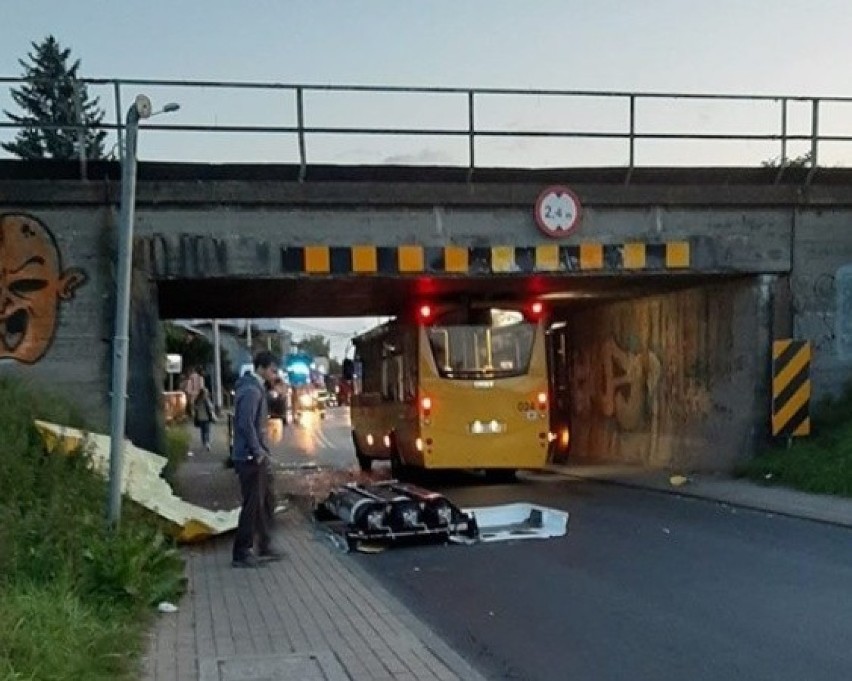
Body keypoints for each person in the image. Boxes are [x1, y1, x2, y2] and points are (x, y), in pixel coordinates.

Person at [231, 350, 283, 568]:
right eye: (273, 370)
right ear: (262, 368)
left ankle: (263, 545)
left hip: (254, 455)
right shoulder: (252, 390)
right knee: (252, 505)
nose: (275, 374)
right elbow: (246, 424)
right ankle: (242, 552)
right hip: (251, 457)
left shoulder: (254, 387)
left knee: (263, 502)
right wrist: (258, 451)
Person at [193, 387, 217, 451]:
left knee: (203, 432)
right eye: (206, 392)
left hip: (200, 418)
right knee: (207, 431)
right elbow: (210, 408)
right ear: (204, 393)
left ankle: (204, 443)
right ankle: (207, 443)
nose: (207, 393)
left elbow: (195, 409)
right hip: (206, 418)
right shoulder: (206, 400)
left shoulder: (197, 400)